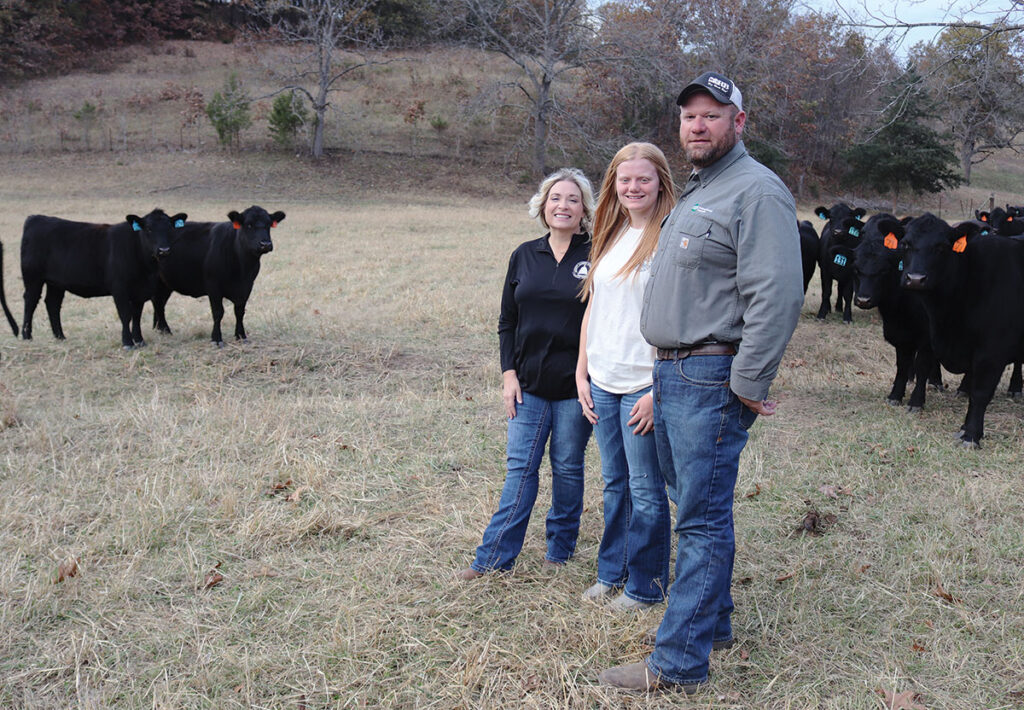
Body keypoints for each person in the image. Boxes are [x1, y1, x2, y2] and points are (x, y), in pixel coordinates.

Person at [598, 72, 804, 692]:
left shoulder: (755, 191)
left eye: (712, 115)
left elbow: (779, 294)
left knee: (700, 521)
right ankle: (713, 624)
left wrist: (747, 381)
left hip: (710, 374)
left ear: (739, 122)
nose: (697, 125)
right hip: (674, 371)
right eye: (690, 115)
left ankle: (679, 662)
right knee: (701, 509)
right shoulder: (700, 189)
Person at [457, 168, 596, 581]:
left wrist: (586, 378)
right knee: (521, 469)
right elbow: (507, 321)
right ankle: (492, 558)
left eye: (572, 199)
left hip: (575, 387)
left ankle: (561, 548)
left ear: (584, 208)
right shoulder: (523, 254)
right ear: (543, 205)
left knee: (568, 469)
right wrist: (508, 374)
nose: (563, 206)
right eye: (556, 198)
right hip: (529, 385)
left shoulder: (596, 253)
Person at [575, 143, 674, 611]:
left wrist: (658, 388)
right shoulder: (609, 234)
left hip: (642, 382)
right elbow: (594, 305)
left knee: (646, 490)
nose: (633, 188)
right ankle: (611, 573)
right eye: (624, 180)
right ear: (613, 184)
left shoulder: (669, 238)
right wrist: (582, 372)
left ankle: (646, 585)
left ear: (661, 184)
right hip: (603, 379)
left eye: (644, 180)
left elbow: (677, 318)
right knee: (614, 484)